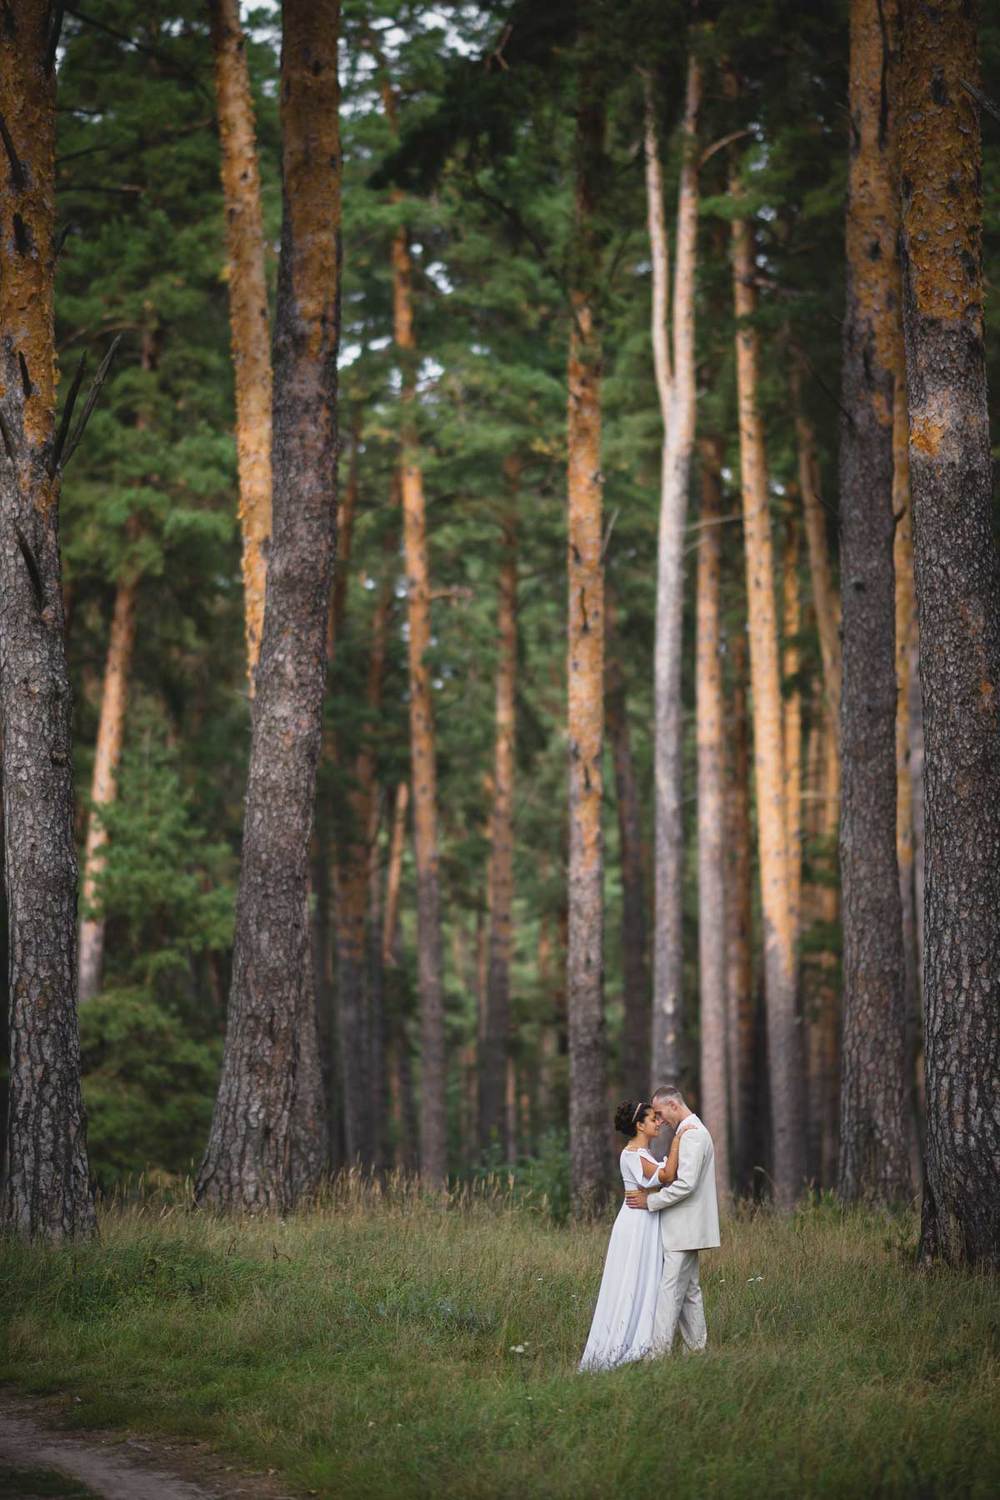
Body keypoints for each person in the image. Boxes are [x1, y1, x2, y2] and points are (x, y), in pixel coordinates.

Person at [578, 1098, 697, 1371]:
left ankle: (645, 1336)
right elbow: (666, 1175)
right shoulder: (632, 1154)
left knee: (646, 1277)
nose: (658, 1122)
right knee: (632, 1277)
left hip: (645, 1218)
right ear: (639, 1125)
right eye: (652, 1119)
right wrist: (678, 1139)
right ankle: (628, 1341)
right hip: (636, 1224)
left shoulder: (641, 1153)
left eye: (658, 1118)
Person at [625, 1085, 721, 1356]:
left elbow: (686, 1185)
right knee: (690, 1292)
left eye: (660, 1112)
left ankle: (658, 1355)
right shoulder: (689, 1132)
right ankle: (697, 1350)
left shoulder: (692, 1135)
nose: (659, 1119)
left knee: (669, 1291)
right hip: (687, 1228)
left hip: (683, 1228)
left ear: (674, 1105)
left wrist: (651, 1202)